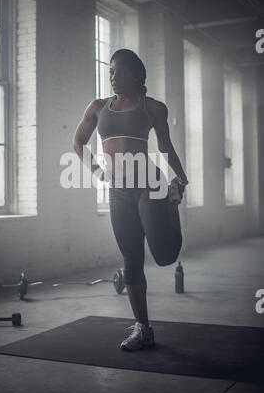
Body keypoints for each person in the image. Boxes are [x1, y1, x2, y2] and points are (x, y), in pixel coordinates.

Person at [73, 49, 188, 351]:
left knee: (164, 256)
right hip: (118, 191)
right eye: (111, 70)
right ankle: (143, 328)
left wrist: (182, 178)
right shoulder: (98, 108)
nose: (113, 76)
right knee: (130, 260)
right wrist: (95, 169)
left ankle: (171, 206)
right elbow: (78, 142)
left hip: (149, 185)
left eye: (120, 71)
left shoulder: (152, 107)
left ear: (137, 76)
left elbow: (165, 147)